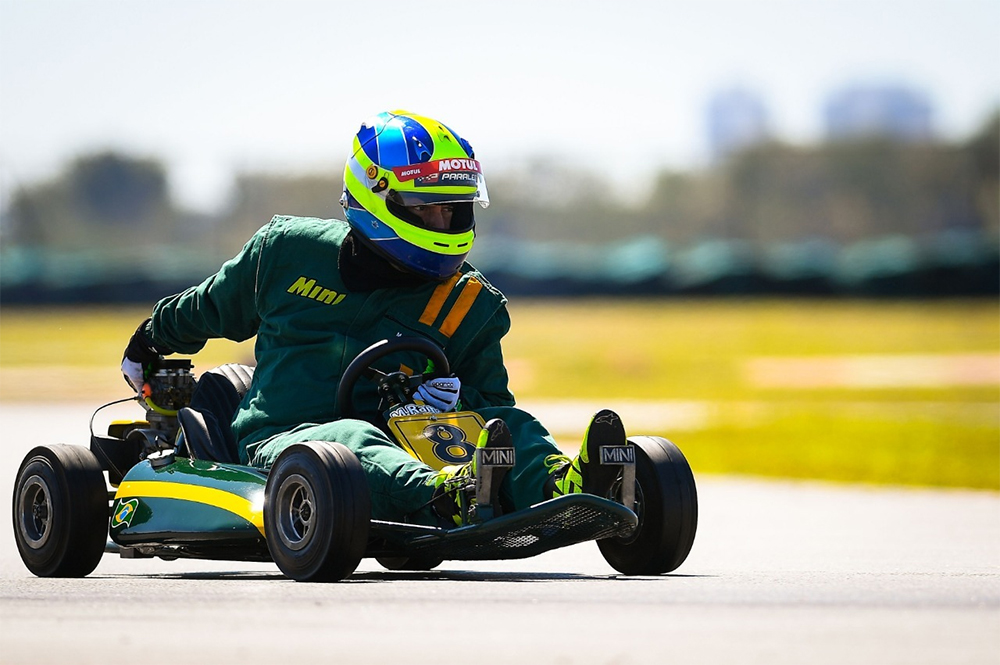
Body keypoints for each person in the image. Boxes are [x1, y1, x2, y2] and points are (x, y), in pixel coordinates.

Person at [121, 110, 629, 527]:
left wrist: (454, 401)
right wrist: (150, 340)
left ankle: (571, 487)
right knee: (348, 438)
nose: (443, 221)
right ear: (376, 195)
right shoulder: (287, 253)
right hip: (283, 441)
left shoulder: (468, 302)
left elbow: (490, 406)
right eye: (428, 208)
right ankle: (445, 495)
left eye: (453, 209)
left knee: (510, 425)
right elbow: (208, 306)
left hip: (413, 440)